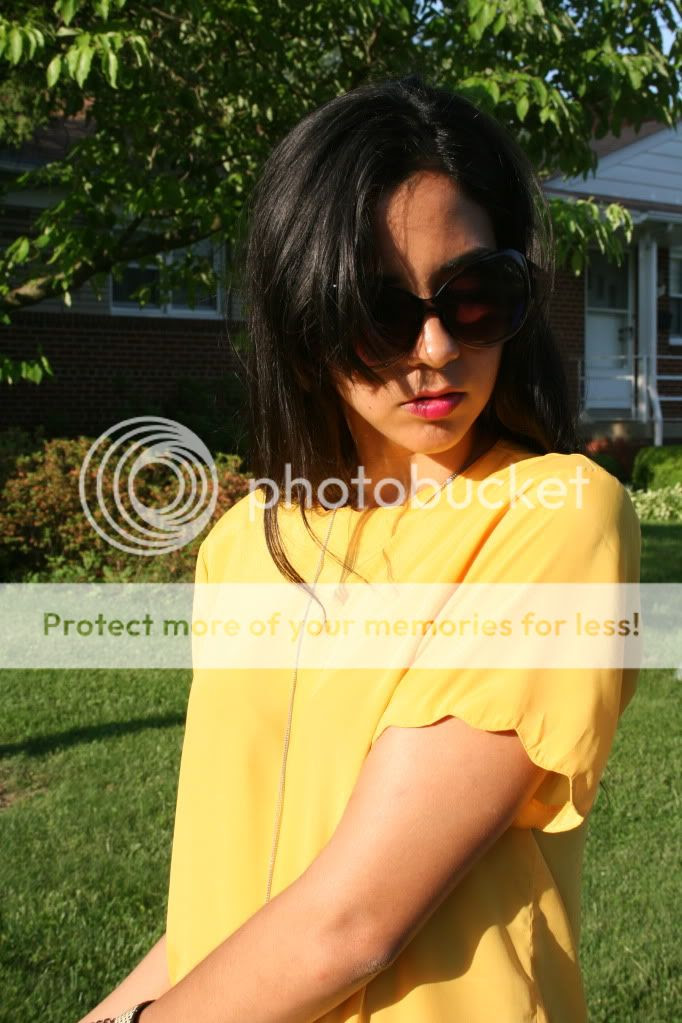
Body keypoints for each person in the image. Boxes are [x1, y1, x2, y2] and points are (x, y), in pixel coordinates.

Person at [78, 74, 641, 1023]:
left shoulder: (552, 516)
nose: (435, 347)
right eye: (381, 310)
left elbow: (355, 918)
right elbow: (235, 889)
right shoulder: (247, 545)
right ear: (304, 320)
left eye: (474, 297)